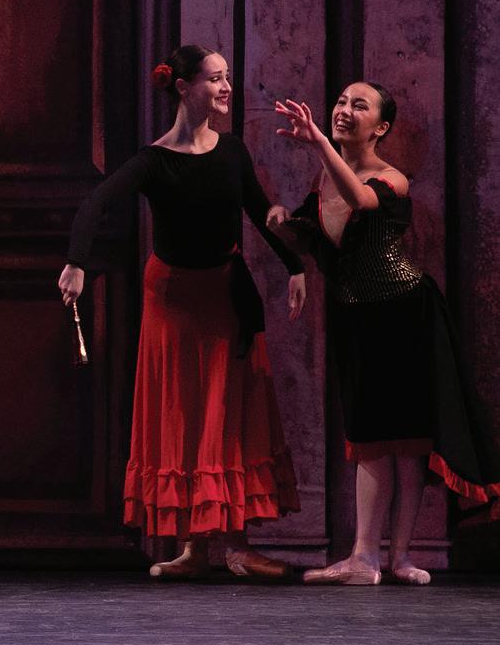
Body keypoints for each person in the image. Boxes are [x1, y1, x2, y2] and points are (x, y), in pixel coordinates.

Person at [59, 45, 305, 579]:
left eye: (227, 77)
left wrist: (295, 266)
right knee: (186, 413)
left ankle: (236, 547)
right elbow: (95, 204)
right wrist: (77, 262)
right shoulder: (154, 160)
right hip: (173, 301)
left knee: (227, 414)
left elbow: (258, 209)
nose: (226, 87)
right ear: (183, 87)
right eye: (215, 79)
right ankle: (195, 549)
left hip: (224, 296)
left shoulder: (232, 150)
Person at [272, 86, 500, 585]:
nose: (344, 110)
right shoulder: (324, 178)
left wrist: (317, 142)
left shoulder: (392, 178)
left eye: (359, 105)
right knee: (371, 439)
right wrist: (283, 222)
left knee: (408, 441)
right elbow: (322, 243)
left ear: (380, 128)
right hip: (358, 318)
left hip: (405, 313)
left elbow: (361, 201)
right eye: (341, 101)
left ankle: (398, 557)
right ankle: (365, 557)